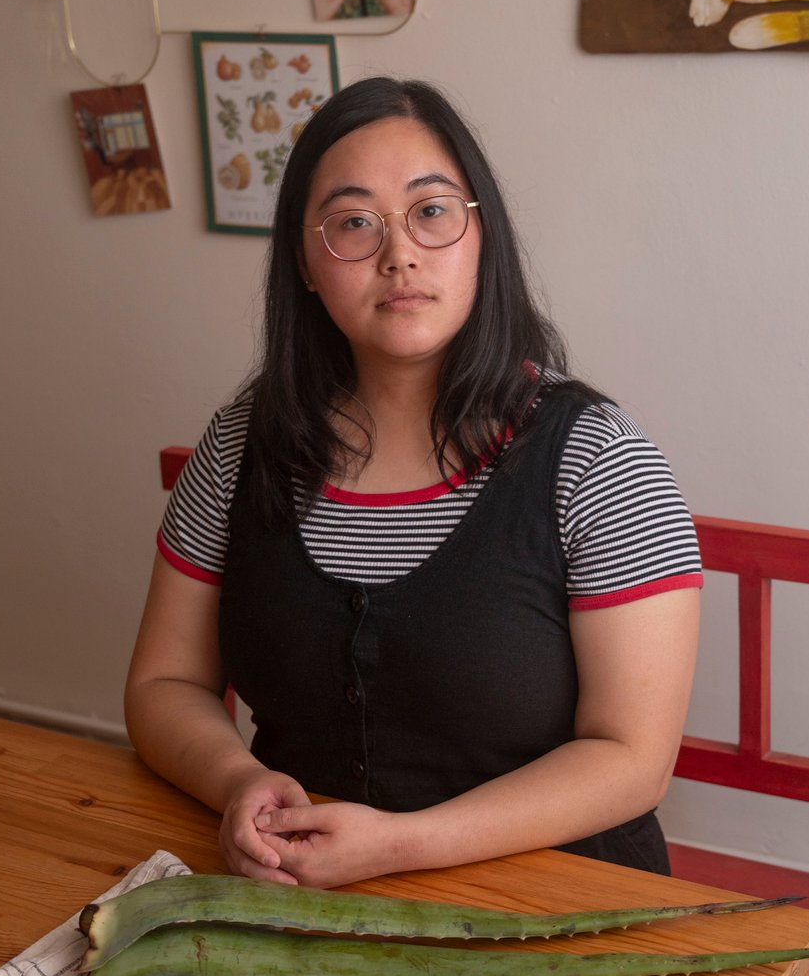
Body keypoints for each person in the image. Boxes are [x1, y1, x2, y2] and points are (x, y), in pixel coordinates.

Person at [125, 76, 702, 889]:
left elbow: (633, 761)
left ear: (481, 235)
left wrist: (398, 844)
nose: (399, 254)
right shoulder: (242, 445)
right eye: (354, 223)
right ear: (306, 260)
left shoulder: (599, 462)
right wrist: (237, 782)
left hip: (554, 916)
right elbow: (163, 683)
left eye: (432, 211)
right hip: (291, 901)